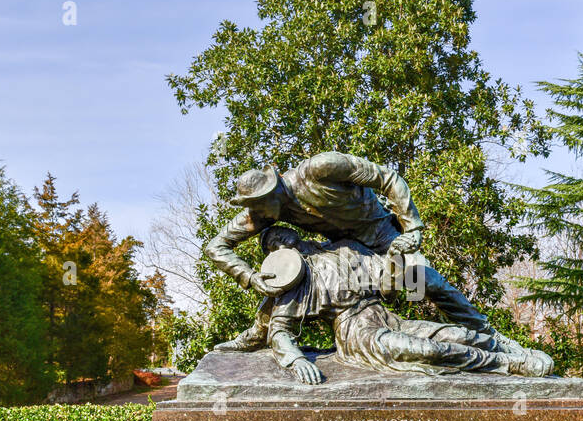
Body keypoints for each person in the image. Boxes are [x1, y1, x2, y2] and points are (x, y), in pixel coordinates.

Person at [205, 151, 500, 349]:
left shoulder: (321, 168)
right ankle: (259, 333)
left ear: (272, 192)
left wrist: (412, 229)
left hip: (382, 236)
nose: (253, 213)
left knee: (425, 283)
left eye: (255, 205)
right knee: (296, 278)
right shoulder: (267, 211)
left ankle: (488, 335)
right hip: (345, 253)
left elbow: (388, 179)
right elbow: (216, 247)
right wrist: (249, 277)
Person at [256, 226, 553, 384]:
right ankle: (507, 364)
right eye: (272, 245)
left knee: (455, 334)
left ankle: (512, 350)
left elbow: (388, 288)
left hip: (386, 316)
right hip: (358, 333)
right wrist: (295, 360)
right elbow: (279, 329)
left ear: (295, 231)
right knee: (428, 351)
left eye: (281, 234)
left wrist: (396, 258)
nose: (280, 242)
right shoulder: (297, 280)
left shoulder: (345, 247)